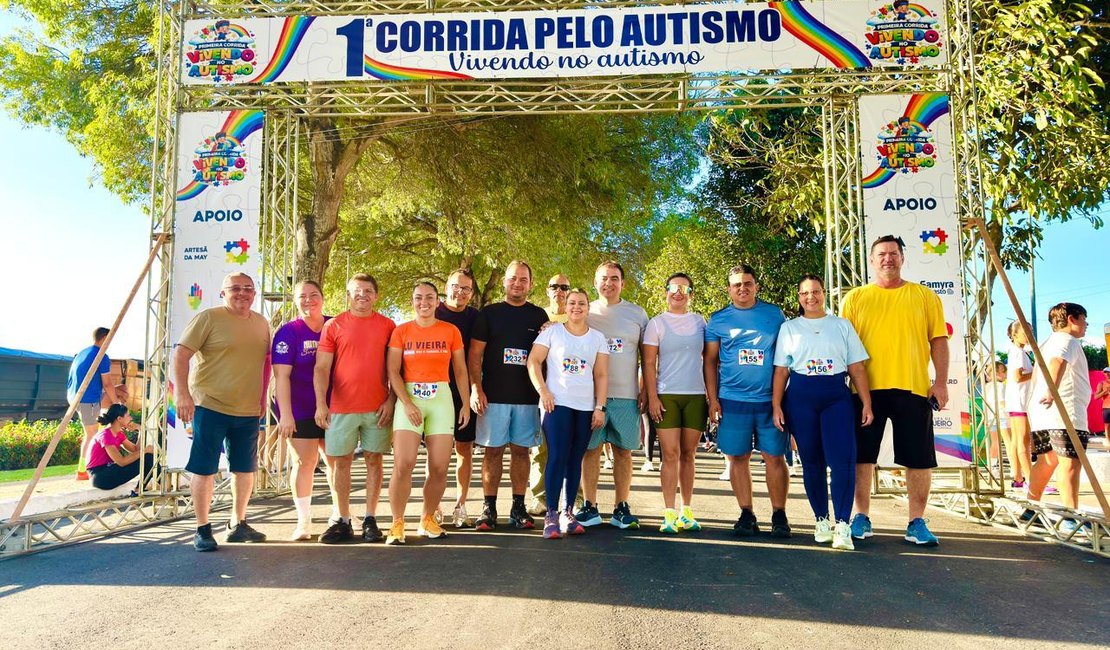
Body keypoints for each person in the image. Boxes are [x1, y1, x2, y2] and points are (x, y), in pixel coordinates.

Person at [841, 235, 949, 547]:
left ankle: (916, 522)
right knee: (862, 457)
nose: (888, 259)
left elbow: (939, 341)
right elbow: (846, 348)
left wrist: (940, 382)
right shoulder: (856, 298)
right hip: (865, 392)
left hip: (913, 389)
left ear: (902, 258)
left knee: (918, 460)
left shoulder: (925, 296)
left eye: (893, 253)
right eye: (881, 254)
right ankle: (861, 516)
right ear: (872, 261)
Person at [772, 275, 872, 550]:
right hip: (801, 398)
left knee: (842, 461)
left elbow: (857, 368)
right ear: (799, 297)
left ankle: (842, 525)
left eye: (815, 291)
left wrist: (866, 403)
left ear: (823, 293)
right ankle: (821, 521)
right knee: (812, 462)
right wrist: (777, 405)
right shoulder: (789, 329)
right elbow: (781, 370)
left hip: (836, 397)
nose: (810, 297)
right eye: (804, 293)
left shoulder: (841, 325)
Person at [174, 272, 271, 552]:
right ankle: (202, 529)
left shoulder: (262, 323)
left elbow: (265, 363)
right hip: (210, 405)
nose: (242, 293)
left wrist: (263, 397)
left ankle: (237, 524)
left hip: (249, 410)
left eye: (248, 289)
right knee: (204, 468)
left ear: (255, 294)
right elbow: (181, 354)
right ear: (223, 293)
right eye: (235, 288)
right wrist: (182, 394)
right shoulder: (208, 318)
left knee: (244, 469)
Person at [704, 264, 790, 538]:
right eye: (737, 284)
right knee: (737, 458)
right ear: (729, 289)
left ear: (756, 286)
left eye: (748, 283)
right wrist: (712, 399)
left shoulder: (774, 315)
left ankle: (779, 514)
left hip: (770, 401)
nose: (743, 288)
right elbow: (710, 360)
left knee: (774, 457)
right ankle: (746, 513)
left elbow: (786, 355)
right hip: (732, 401)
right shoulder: (718, 319)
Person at [313, 274, 396, 544]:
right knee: (341, 463)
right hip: (341, 407)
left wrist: (391, 400)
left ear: (376, 295)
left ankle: (371, 518)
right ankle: (343, 519)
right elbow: (322, 368)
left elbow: (396, 369)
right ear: (349, 294)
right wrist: (321, 403)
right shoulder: (334, 325)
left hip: (377, 407)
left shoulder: (388, 325)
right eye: (357, 291)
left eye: (368, 291)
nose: (363, 295)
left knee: (375, 460)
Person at [386, 282, 470, 544]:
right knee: (404, 463)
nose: (424, 302)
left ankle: (427, 518)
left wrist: (465, 403)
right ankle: (397, 522)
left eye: (430, 297)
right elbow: (392, 371)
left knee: (439, 466)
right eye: (419, 297)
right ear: (412, 300)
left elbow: (459, 370)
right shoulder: (401, 331)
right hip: (409, 398)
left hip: (441, 398)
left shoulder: (450, 331)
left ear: (437, 301)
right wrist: (407, 403)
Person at [469, 261, 549, 531]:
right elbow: (475, 356)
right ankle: (488, 508)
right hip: (494, 397)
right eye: (513, 278)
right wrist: (475, 388)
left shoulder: (539, 316)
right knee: (492, 453)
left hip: (526, 398)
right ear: (504, 281)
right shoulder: (489, 314)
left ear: (531, 284)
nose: (518, 283)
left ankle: (518, 507)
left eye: (523, 279)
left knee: (521, 452)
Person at [527, 288, 609, 539]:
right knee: (557, 456)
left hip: (585, 408)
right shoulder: (552, 333)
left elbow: (601, 375)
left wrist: (600, 407)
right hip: (557, 405)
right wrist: (543, 391)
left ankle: (567, 512)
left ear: (588, 307)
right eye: (572, 303)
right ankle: (551, 515)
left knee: (575, 459)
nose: (576, 307)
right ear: (565, 305)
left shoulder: (597, 337)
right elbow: (533, 362)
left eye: (581, 303)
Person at [576, 261, 649, 529]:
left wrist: (646, 391)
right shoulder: (585, 310)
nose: (609, 283)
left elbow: (648, 357)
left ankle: (621, 506)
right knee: (590, 450)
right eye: (604, 278)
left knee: (623, 452)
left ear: (623, 283)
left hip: (627, 395)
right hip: (590, 397)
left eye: (614, 278)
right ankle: (590, 506)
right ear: (595, 282)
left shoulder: (637, 314)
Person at [643, 273, 708, 534]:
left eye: (684, 288)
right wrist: (653, 397)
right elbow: (648, 363)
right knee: (670, 454)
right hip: (667, 395)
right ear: (665, 292)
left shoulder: (700, 322)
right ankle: (669, 513)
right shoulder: (656, 323)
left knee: (689, 455)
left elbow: (710, 361)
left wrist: (711, 397)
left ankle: (686, 511)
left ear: (691, 293)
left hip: (695, 396)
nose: (678, 292)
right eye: (673, 288)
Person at [272, 280, 331, 541]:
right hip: (299, 406)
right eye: (302, 296)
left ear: (323, 298)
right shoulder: (288, 332)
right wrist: (286, 414)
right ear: (295, 301)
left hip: (333, 406)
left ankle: (341, 514)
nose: (309, 300)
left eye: (314, 295)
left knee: (336, 462)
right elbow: (281, 377)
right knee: (305, 462)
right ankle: (304, 521)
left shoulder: (335, 325)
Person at [1026, 302, 1092, 530]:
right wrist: (1052, 392)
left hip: (1044, 412)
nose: (1086, 325)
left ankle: (1031, 507)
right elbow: (1058, 363)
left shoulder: (1048, 342)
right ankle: (1071, 515)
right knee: (1070, 462)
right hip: (1065, 411)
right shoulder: (1068, 340)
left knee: (1048, 459)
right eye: (1084, 319)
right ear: (1072, 319)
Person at [435, 268, 480, 528]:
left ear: (471, 293)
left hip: (464, 392)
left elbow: (478, 356)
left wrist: (475, 389)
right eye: (455, 286)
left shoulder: (476, 317)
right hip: (435, 392)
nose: (459, 292)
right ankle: (435, 505)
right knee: (437, 453)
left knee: (464, 449)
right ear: (447, 287)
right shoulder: (433, 311)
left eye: (465, 289)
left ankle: (460, 504)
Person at [528, 272, 573, 515]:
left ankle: (572, 498)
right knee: (539, 449)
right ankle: (539, 497)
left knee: (568, 448)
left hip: (570, 393)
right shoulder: (539, 316)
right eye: (554, 286)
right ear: (547, 290)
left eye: (564, 287)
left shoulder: (577, 315)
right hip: (540, 391)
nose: (559, 290)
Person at [68, 327, 120, 480]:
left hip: (77, 396)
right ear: (104, 338)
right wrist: (116, 404)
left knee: (122, 391)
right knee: (91, 434)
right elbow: (108, 384)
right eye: (110, 339)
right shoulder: (102, 356)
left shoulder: (83, 353)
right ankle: (82, 471)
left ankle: (112, 429)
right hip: (87, 399)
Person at [86, 403, 155, 492]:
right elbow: (121, 461)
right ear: (119, 418)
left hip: (108, 470)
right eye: (128, 415)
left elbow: (135, 450)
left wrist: (141, 430)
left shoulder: (119, 434)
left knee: (148, 457)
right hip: (100, 477)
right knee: (148, 457)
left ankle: (141, 488)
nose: (131, 418)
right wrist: (145, 450)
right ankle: (161, 485)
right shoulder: (106, 435)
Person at [1005, 321, 1034, 488]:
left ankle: (1018, 478)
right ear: (1014, 335)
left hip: (1017, 401)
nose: (1029, 334)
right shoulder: (1018, 353)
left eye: (1030, 331)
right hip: (1020, 401)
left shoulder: (1019, 352)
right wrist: (1037, 372)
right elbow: (1017, 377)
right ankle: (1031, 480)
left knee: (1017, 440)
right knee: (1023, 441)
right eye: (1025, 331)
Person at [981, 360, 1009, 471]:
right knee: (1009, 443)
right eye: (1003, 372)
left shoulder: (986, 386)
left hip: (990, 417)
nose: (1005, 374)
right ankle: (1014, 468)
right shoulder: (1000, 386)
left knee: (995, 442)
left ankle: (993, 465)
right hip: (1003, 416)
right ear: (996, 373)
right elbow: (1002, 402)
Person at [1093, 368, 1110, 437]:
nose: (1107, 374)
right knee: (1107, 426)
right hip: (1107, 408)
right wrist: (1104, 391)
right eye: (1105, 372)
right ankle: (1108, 441)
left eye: (1108, 372)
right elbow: (1096, 397)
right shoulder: (1101, 383)